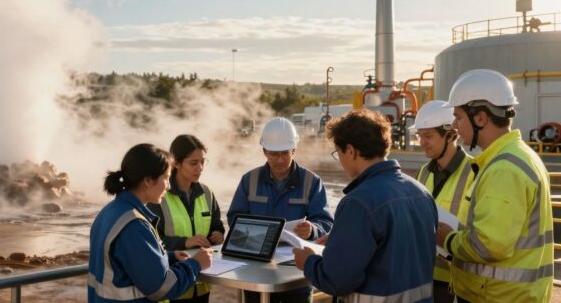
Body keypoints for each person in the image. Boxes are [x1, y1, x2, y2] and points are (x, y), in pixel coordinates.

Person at [294, 109, 438, 302]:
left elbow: (336, 280)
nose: (340, 161)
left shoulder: (358, 202)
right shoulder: (421, 192)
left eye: (339, 152)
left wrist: (308, 261)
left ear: (351, 151)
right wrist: (342, 238)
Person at [437, 69, 553, 302]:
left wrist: (447, 239)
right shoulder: (518, 155)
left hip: (498, 296)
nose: (455, 126)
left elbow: (489, 246)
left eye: (458, 117)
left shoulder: (504, 169)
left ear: (480, 118)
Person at [88, 143, 212, 302]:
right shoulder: (134, 225)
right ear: (147, 180)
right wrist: (196, 264)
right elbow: (162, 288)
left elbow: (127, 260)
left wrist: (169, 257)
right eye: (166, 178)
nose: (168, 186)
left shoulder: (110, 211)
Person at [228, 117, 333, 303]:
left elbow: (325, 222)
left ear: (294, 150)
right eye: (273, 154)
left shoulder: (311, 181)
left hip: (295, 270)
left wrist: (312, 229)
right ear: (264, 151)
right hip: (255, 267)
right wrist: (256, 233)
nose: (279, 160)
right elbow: (234, 219)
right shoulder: (249, 180)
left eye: (285, 153)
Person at [411, 100, 475, 303]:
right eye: (419, 135)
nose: (421, 142)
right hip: (422, 277)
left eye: (427, 136)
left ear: (451, 135)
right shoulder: (423, 172)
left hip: (455, 282)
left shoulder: (476, 172)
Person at [148, 134, 225, 303]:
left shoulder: (207, 193)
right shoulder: (159, 196)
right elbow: (152, 244)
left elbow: (216, 223)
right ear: (175, 162)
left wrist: (218, 234)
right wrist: (185, 242)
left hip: (203, 283)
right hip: (174, 285)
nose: (200, 168)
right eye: (193, 163)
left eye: (203, 162)